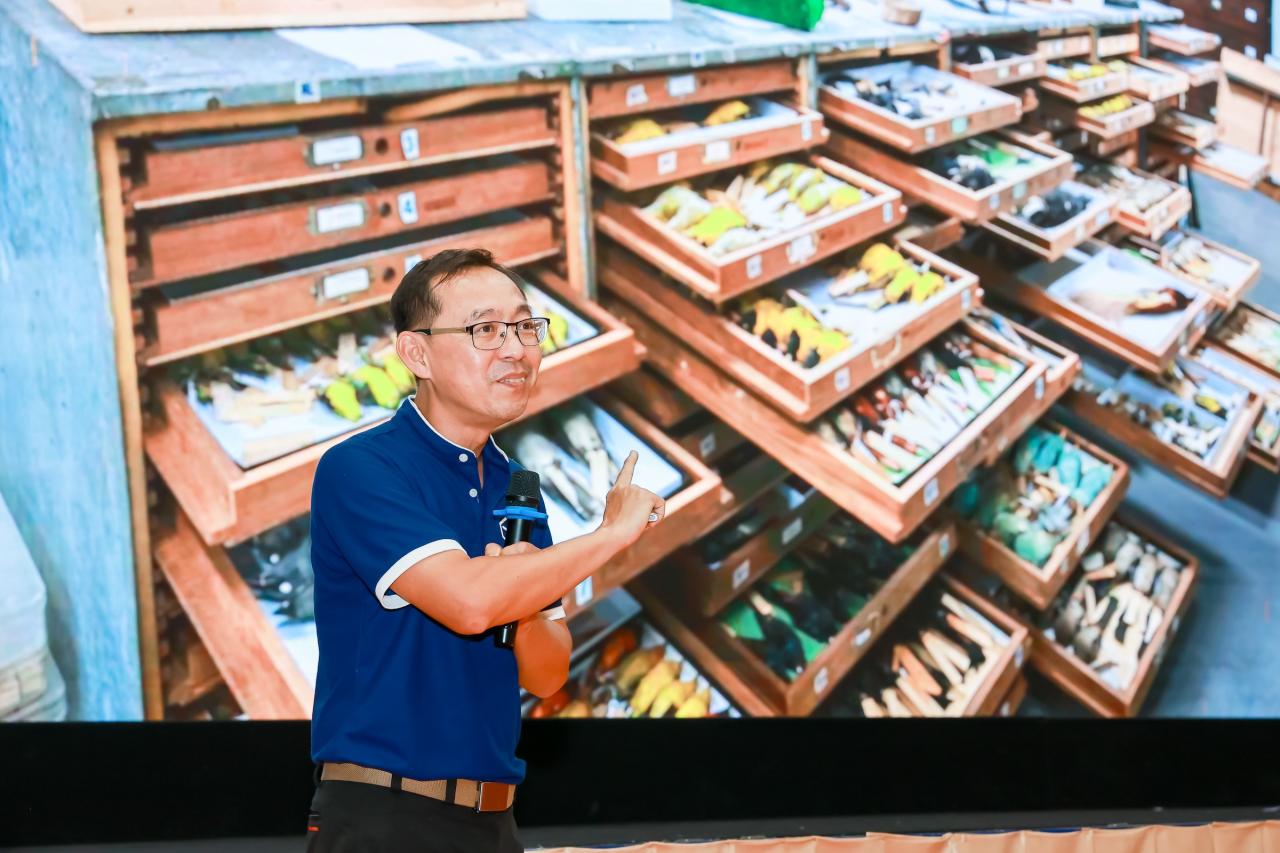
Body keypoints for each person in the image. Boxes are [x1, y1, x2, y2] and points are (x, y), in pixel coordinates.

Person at [304, 248, 666, 852]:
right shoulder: (361, 467)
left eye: (525, 327)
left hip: (493, 818)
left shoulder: (515, 488)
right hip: (384, 816)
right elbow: (468, 605)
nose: (516, 349)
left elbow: (547, 674)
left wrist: (519, 596)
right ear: (416, 353)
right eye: (486, 330)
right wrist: (609, 534)